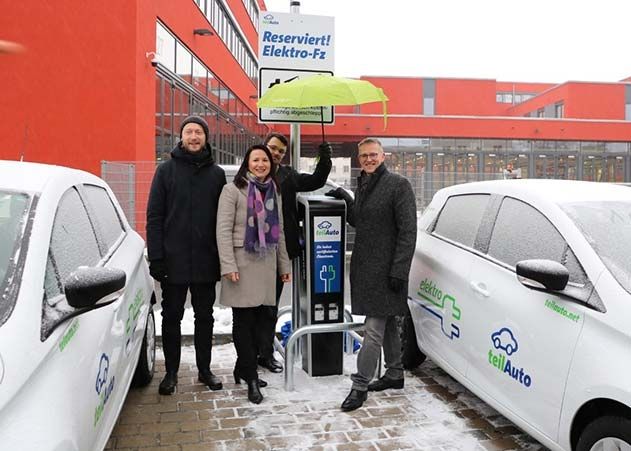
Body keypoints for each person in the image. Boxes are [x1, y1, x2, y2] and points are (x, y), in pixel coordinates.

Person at [327, 137, 417, 412]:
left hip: (389, 271)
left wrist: (399, 270)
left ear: (383, 155)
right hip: (367, 268)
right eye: (364, 155)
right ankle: (394, 373)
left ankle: (360, 385)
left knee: (373, 330)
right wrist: (346, 198)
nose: (368, 159)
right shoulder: (365, 183)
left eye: (373, 155)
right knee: (387, 323)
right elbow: (362, 220)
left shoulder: (398, 185)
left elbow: (408, 232)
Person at [146, 115, 226, 395]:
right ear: (181, 137)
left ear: (206, 138)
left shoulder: (217, 174)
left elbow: (224, 220)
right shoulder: (165, 171)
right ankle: (171, 372)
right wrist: (156, 257)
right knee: (171, 317)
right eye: (189, 132)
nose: (194, 137)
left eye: (199, 132)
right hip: (173, 260)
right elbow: (154, 216)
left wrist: (223, 257)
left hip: (207, 259)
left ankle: (205, 370)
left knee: (205, 317)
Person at [216, 144, 291, 404]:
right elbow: (223, 231)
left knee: (262, 325)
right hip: (241, 265)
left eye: (265, 160)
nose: (261, 164)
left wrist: (284, 267)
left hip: (266, 265)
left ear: (271, 164)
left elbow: (279, 232)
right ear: (247, 163)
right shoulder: (232, 190)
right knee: (243, 323)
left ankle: (243, 366)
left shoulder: (274, 191)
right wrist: (228, 266)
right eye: (255, 160)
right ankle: (250, 377)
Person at [256, 133, 332, 373]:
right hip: (252, 251)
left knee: (270, 307)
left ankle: (265, 355)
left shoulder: (288, 176)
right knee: (250, 308)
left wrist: (325, 157)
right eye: (272, 148)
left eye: (280, 150)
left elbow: (316, 181)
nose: (275, 153)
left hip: (279, 251)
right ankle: (247, 356)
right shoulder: (251, 173)